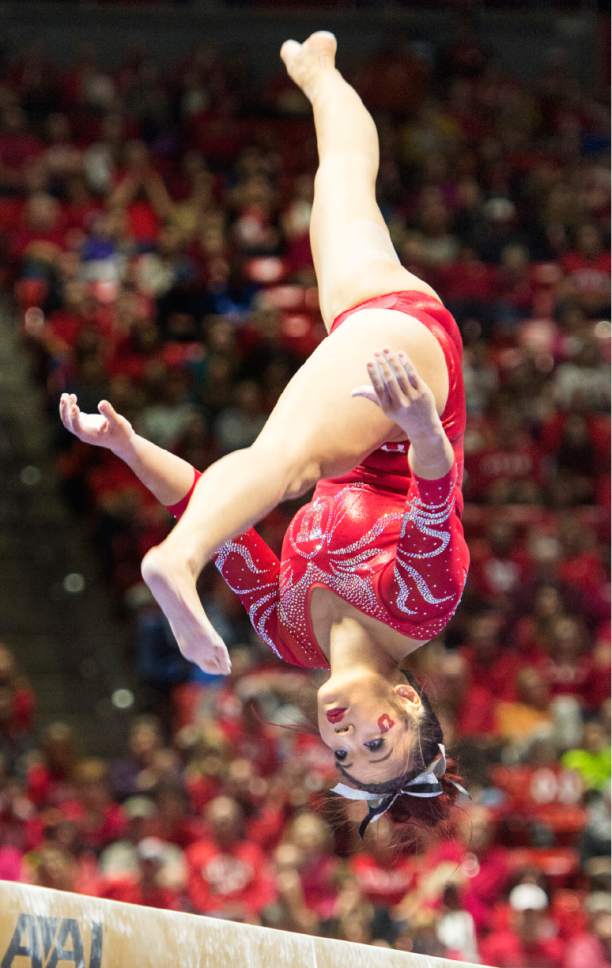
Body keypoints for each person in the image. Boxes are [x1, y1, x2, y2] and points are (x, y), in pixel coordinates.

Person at [59, 32, 469, 839]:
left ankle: (320, 72)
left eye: (346, 754)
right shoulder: (422, 606)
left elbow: (216, 516)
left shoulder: (287, 635)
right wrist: (422, 419)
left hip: (358, 366)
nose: (350, 735)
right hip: (409, 388)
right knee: (289, 464)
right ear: (407, 700)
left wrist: (127, 448)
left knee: (343, 186)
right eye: (377, 739)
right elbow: (435, 492)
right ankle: (169, 565)